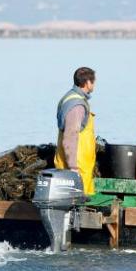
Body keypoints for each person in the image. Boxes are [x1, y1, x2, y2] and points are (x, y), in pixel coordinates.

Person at [54, 67, 98, 195]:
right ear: (87, 83)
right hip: (77, 167)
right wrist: (73, 167)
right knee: (78, 202)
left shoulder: (70, 97)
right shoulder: (76, 105)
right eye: (93, 81)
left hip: (78, 165)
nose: (94, 84)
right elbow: (70, 136)